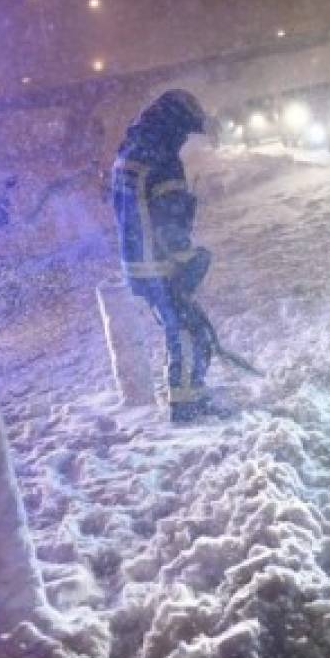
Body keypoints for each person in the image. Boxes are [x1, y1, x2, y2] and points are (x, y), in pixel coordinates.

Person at [111, 89, 219, 423]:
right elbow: (169, 221)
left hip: (139, 264)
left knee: (183, 328)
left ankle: (190, 396)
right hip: (162, 265)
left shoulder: (132, 153)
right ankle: (188, 405)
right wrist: (188, 258)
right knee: (188, 332)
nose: (186, 138)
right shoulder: (162, 160)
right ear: (174, 124)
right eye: (185, 131)